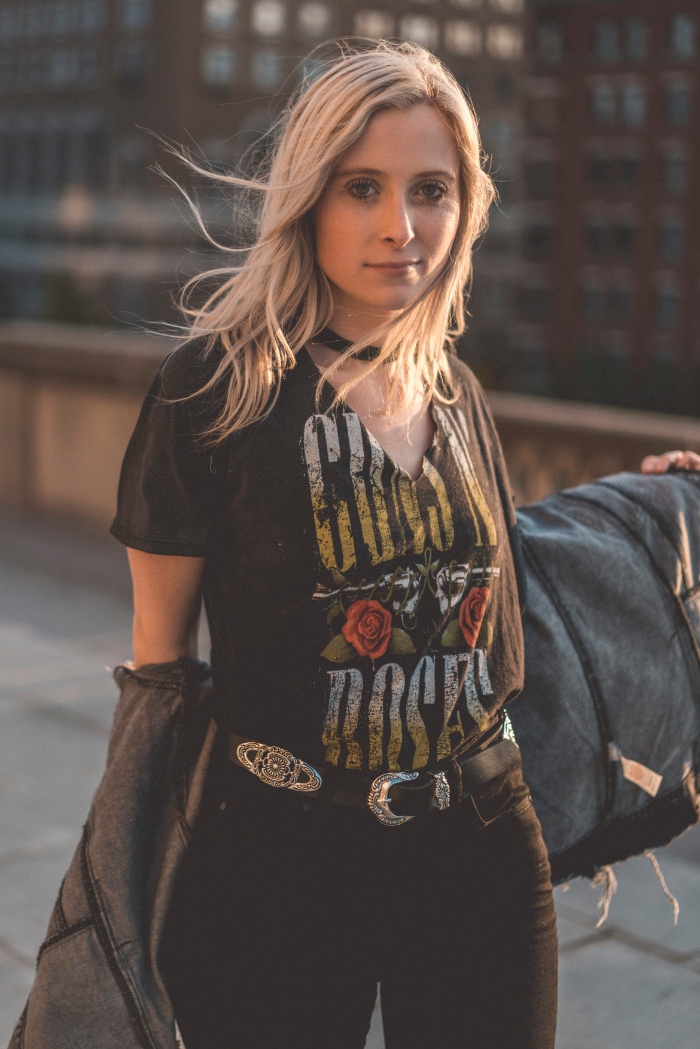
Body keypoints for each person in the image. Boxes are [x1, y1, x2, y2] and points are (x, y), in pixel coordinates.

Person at [108, 39, 698, 1049]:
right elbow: (160, 674)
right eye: (362, 188)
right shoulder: (216, 389)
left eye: (431, 189)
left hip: (478, 845)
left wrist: (660, 503)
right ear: (308, 199)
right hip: (282, 859)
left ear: (465, 203)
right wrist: (120, 903)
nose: (401, 226)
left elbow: (500, 578)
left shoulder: (456, 390)